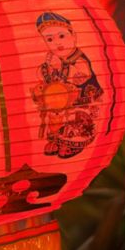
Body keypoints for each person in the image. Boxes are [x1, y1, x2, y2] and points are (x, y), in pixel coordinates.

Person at [31, 11, 104, 158]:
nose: (57, 43)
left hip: (83, 100)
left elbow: (82, 76)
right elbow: (46, 75)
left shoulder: (78, 58)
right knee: (55, 116)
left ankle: (72, 143)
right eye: (50, 39)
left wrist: (61, 67)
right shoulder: (52, 59)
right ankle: (57, 140)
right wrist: (47, 69)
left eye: (62, 36)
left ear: (73, 36)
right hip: (62, 101)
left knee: (75, 121)